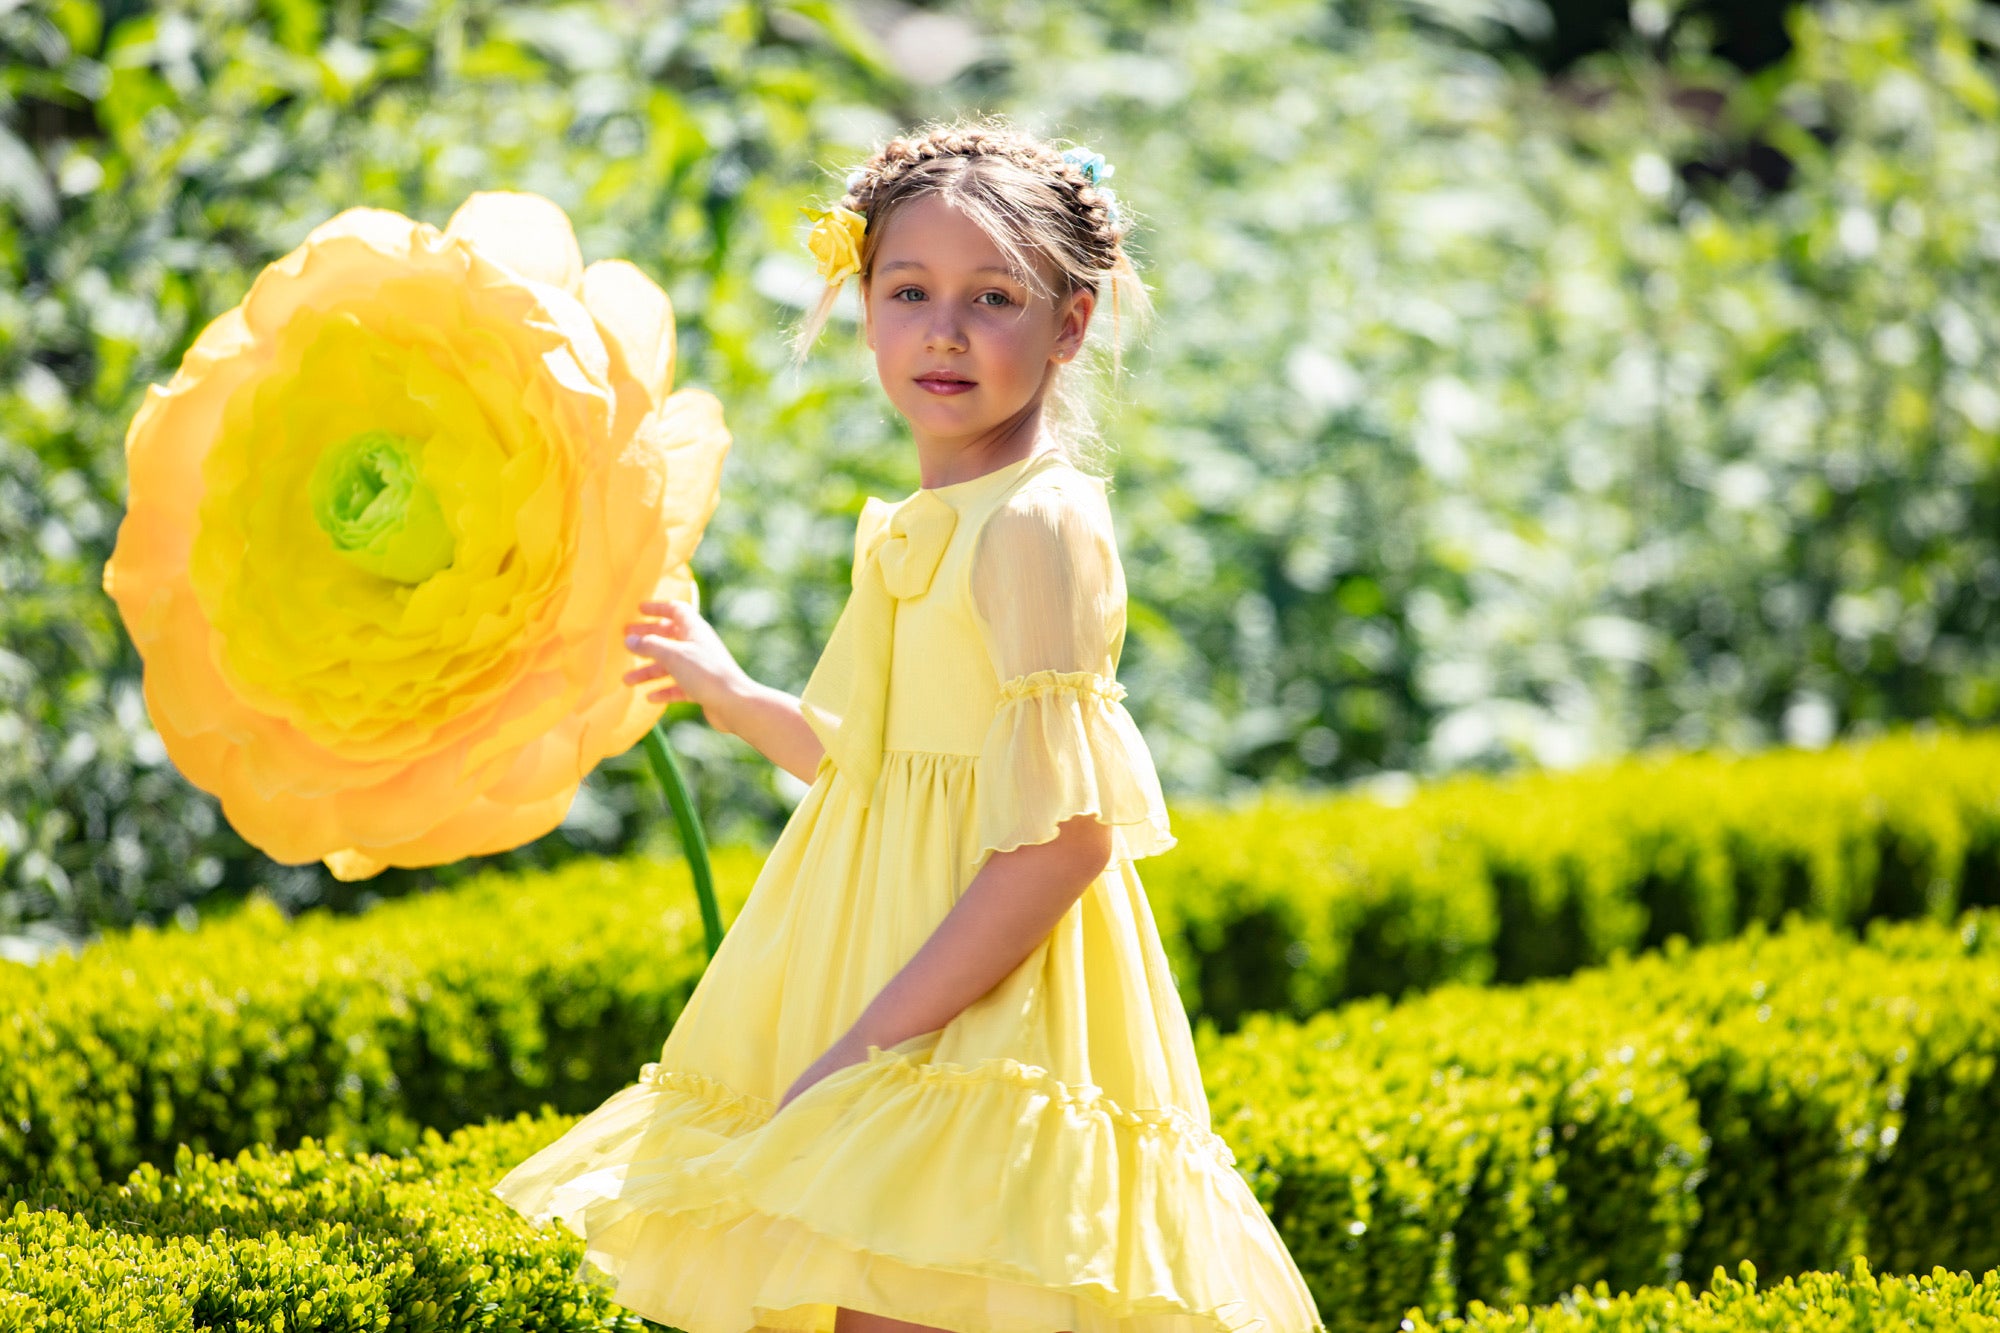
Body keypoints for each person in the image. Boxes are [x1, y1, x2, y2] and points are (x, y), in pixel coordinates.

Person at [490, 114, 1325, 1333]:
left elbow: (1064, 837)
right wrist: (736, 697)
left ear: (1070, 322)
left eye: (994, 297)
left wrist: (870, 1047)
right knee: (845, 1292)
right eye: (907, 290)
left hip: (974, 1004)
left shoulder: (1036, 525)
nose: (942, 331)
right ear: (861, 301)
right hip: (880, 969)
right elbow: (889, 768)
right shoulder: (928, 521)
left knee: (912, 1290)